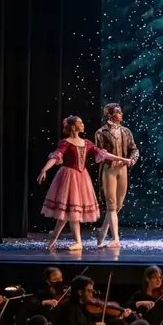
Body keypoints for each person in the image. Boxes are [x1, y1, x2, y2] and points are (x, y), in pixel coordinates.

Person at [37, 116, 134, 251]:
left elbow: (104, 155)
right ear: (73, 127)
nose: (83, 125)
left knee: (69, 212)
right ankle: (76, 241)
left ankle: (54, 236)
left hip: (82, 178)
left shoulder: (86, 143)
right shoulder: (66, 143)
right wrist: (45, 169)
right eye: (80, 123)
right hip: (69, 176)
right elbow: (56, 156)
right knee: (70, 211)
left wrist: (123, 159)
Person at [94, 103, 140, 248]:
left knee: (118, 204)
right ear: (110, 115)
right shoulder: (101, 132)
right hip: (109, 169)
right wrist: (112, 159)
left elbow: (134, 149)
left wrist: (132, 159)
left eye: (120, 112)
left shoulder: (126, 131)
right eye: (118, 112)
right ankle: (115, 238)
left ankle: (102, 231)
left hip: (123, 169)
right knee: (112, 205)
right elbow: (100, 154)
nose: (121, 114)